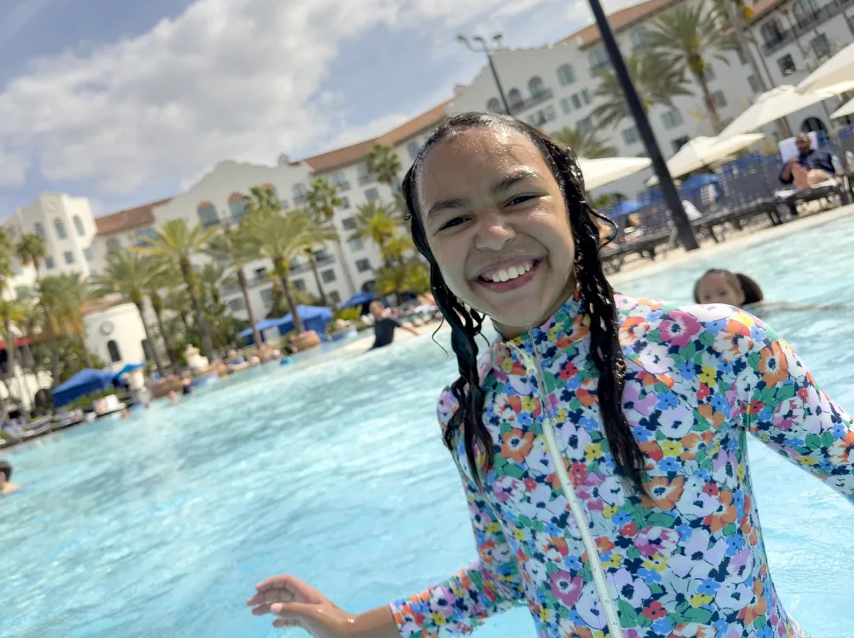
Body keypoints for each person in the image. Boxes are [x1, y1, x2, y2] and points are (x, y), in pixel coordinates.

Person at [247, 112, 854, 637]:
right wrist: (354, 628)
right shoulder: (469, 411)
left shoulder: (711, 345)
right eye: (454, 220)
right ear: (430, 250)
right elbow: (507, 575)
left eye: (518, 198)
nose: (492, 234)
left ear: (571, 204)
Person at [694, 268, 843, 314]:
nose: (715, 301)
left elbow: (787, 308)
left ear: (740, 295)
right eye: (707, 297)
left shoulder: (754, 310)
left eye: (722, 293)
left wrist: (822, 308)